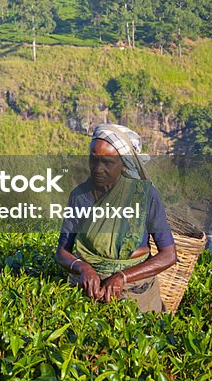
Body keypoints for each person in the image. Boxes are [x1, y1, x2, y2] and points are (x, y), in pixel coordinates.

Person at [55, 123, 176, 312]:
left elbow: (168, 255)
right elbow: (62, 252)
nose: (97, 169)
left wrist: (122, 276)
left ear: (124, 164)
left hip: (136, 292)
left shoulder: (144, 196)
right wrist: (83, 268)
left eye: (108, 163)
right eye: (93, 160)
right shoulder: (79, 196)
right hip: (88, 291)